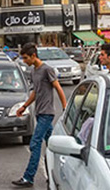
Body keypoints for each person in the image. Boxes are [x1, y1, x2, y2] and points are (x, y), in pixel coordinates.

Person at [12, 43, 67, 187]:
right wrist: (24, 106)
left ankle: (28, 177)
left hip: (47, 113)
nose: (24, 61)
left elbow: (58, 88)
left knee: (35, 143)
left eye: (25, 58)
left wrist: (65, 107)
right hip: (39, 112)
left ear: (33, 56)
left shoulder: (47, 70)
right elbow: (35, 92)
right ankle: (56, 174)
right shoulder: (34, 71)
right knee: (51, 146)